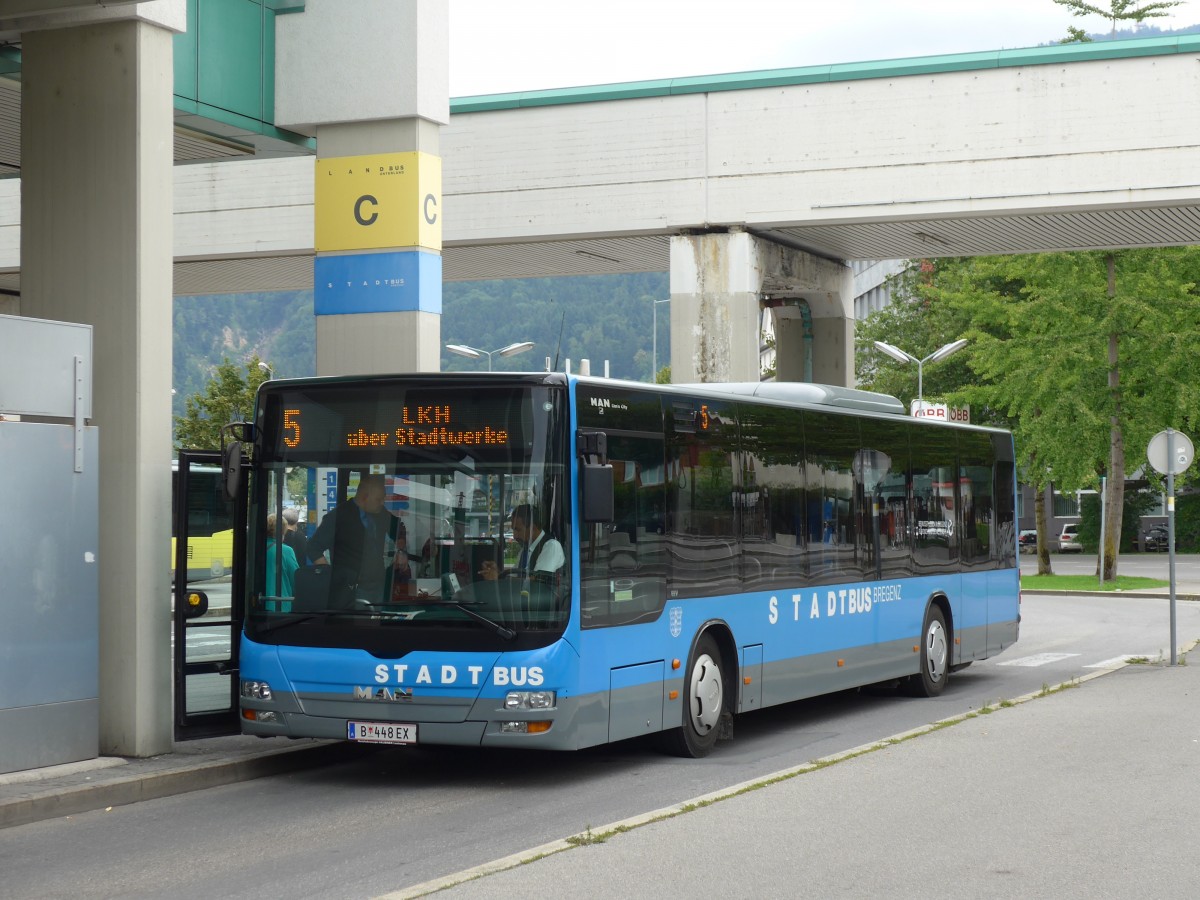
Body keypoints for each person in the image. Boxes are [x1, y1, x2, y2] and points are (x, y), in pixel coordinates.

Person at [307, 474, 395, 604]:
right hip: (352, 588)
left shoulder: (381, 513)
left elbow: (398, 528)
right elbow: (313, 547)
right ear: (365, 497)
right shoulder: (339, 516)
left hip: (378, 585)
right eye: (379, 499)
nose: (382, 503)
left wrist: (401, 546)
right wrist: (334, 576)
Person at [480, 503, 564, 581]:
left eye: (518, 530)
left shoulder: (551, 546)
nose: (514, 536)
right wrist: (498, 573)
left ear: (533, 529)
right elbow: (514, 577)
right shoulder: (524, 552)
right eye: (513, 530)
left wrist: (497, 578)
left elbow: (537, 582)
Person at [265, 512, 299, 597]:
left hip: (259, 601)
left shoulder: (255, 548)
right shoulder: (286, 550)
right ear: (283, 531)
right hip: (280, 602)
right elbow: (296, 578)